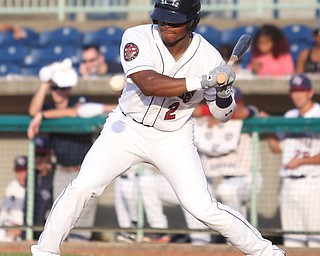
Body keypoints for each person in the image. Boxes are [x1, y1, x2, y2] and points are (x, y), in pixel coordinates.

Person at [31, 1, 285, 255]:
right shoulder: (137, 36)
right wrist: (203, 80)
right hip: (126, 128)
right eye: (162, 18)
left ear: (192, 22)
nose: (166, 25)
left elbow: (222, 115)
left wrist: (223, 90)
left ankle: (267, 253)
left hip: (173, 136)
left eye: (174, 21)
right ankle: (45, 251)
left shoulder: (208, 57)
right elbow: (149, 84)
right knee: (83, 187)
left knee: (201, 206)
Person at [27, 59, 100, 242]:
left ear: (68, 89)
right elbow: (33, 110)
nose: (58, 93)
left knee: (82, 225)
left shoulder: (79, 100)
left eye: (61, 88)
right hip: (61, 172)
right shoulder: (49, 106)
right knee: (61, 220)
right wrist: (46, 83)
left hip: (83, 171)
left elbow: (75, 112)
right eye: (55, 89)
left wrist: (42, 116)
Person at [265, 74, 320, 248]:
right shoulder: (289, 115)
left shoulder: (318, 113)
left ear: (310, 92)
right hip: (288, 183)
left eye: (301, 91)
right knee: (291, 241)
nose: (297, 95)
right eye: (294, 91)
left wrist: (302, 162)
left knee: (315, 239)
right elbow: (277, 148)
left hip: (312, 183)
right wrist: (268, 127)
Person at [193, 87, 263, 220]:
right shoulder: (211, 116)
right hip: (226, 177)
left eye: (232, 103)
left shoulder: (248, 113)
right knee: (199, 193)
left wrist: (219, 116)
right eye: (224, 103)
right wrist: (213, 113)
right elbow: (193, 110)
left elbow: (246, 112)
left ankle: (241, 233)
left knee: (227, 190)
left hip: (249, 178)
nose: (227, 107)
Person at [138, 163, 212, 245]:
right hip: (173, 183)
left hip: (200, 185)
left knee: (191, 198)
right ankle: (159, 230)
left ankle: (200, 243)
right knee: (146, 182)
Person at [25, 135, 54, 240]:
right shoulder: (30, 176)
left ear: (49, 155)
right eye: (36, 154)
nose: (39, 159)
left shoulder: (55, 176)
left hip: (50, 231)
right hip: (30, 230)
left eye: (42, 155)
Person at [0, 156, 27, 242]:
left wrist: (20, 228)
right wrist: (9, 227)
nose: (21, 174)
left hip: (27, 229)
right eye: (18, 171)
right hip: (10, 227)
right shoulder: (12, 186)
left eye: (24, 171)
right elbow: (5, 212)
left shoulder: (36, 188)